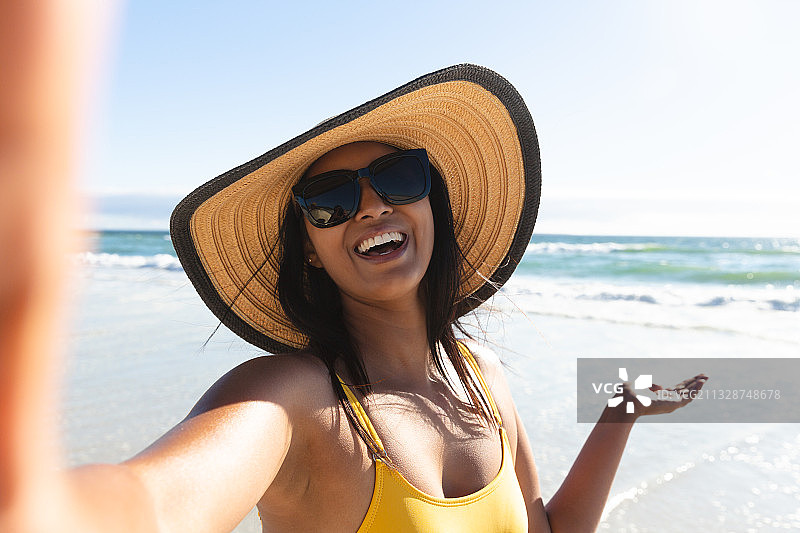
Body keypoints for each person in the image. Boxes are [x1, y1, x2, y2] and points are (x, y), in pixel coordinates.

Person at [0, 16, 706, 530]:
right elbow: (151, 503)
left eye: (396, 176)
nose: (370, 204)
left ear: (431, 199)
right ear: (309, 246)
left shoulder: (482, 377)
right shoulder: (293, 401)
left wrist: (623, 409)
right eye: (330, 202)